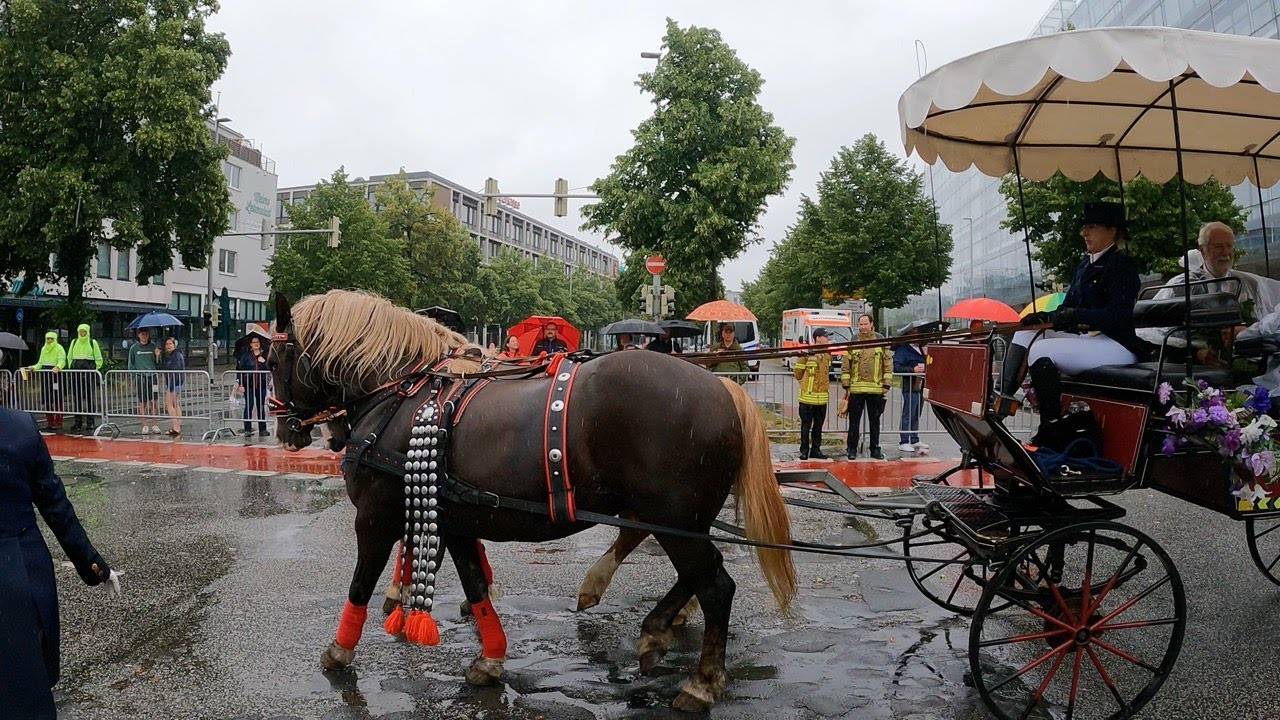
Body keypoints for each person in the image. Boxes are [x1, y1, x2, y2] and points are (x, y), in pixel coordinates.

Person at [0, 407, 120, 717]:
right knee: (27, 687)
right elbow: (56, 507)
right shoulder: (20, 427)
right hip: (19, 568)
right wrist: (95, 566)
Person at [1001, 201, 1148, 426]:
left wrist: (1075, 315)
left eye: (1093, 227)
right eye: (1084, 227)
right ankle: (1001, 399)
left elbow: (1116, 317)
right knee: (1025, 333)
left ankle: (1050, 427)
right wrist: (1045, 317)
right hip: (1086, 340)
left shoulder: (1122, 265)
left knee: (1041, 350)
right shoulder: (1083, 266)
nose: (1085, 233)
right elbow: (1067, 308)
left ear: (1112, 230)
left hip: (1116, 344)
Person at [840, 314, 892, 459]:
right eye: (860, 325)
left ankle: (875, 449)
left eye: (865, 324)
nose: (863, 327)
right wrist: (846, 385)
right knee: (854, 422)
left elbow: (887, 363)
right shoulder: (853, 341)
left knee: (874, 422)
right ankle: (851, 449)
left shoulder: (880, 340)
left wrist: (886, 383)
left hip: (876, 389)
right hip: (856, 389)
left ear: (871, 324)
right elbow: (846, 364)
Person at [793, 327, 832, 460]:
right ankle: (804, 451)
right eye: (825, 336)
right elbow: (798, 374)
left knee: (818, 427)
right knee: (806, 426)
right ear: (817, 338)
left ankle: (816, 449)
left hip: (821, 398)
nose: (828, 339)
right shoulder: (806, 353)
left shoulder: (827, 355)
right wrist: (805, 385)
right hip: (807, 398)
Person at [892, 326, 928, 455]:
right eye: (914, 334)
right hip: (910, 386)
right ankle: (904, 441)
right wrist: (912, 370)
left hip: (920, 385)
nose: (917, 337)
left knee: (916, 412)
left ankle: (914, 438)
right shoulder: (903, 350)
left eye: (918, 335)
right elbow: (896, 367)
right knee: (908, 412)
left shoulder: (921, 349)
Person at [65, 324, 103, 432]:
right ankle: (78, 422)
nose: (82, 333)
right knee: (77, 399)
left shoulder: (92, 342)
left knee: (90, 399)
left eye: (84, 332)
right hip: (76, 374)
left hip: (88, 374)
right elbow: (69, 357)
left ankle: (90, 422)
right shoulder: (74, 342)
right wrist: (71, 366)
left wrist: (94, 368)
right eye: (80, 331)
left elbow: (99, 359)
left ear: (88, 332)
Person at [26, 331, 66, 430]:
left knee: (57, 398)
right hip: (46, 376)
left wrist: (58, 367)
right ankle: (50, 421)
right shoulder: (44, 349)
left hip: (56, 376)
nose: (49, 340)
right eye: (47, 338)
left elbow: (62, 360)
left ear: (55, 339)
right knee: (47, 399)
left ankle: (58, 422)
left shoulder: (59, 348)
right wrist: (34, 367)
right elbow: (40, 363)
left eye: (51, 339)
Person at [127, 328, 161, 435]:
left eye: (146, 334)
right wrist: (133, 377)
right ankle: (144, 425)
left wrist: (157, 356)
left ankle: (155, 424)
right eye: (143, 334)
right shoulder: (134, 348)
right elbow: (131, 364)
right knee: (142, 402)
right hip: (140, 377)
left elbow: (158, 364)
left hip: (153, 377)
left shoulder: (153, 346)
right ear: (139, 335)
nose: (144, 336)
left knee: (154, 401)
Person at [237, 335, 270, 437]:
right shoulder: (246, 356)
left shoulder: (264, 356)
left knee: (260, 407)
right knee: (249, 406)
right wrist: (241, 384)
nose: (256, 344)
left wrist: (263, 362)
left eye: (258, 342)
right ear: (250, 344)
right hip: (249, 386)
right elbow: (240, 370)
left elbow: (269, 369)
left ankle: (262, 429)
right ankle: (247, 428)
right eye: (254, 342)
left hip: (261, 385)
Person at [161, 336, 185, 437]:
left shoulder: (175, 356)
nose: (168, 346)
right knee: (175, 404)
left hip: (174, 383)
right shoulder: (174, 355)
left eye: (170, 344)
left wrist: (170, 387)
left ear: (174, 344)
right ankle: (178, 424)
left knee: (169, 405)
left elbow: (174, 372)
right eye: (167, 344)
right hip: (176, 383)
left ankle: (176, 427)